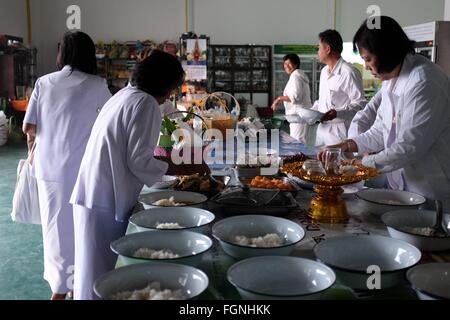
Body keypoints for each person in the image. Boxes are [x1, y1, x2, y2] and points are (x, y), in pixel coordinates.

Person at [70, 50, 184, 300]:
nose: (171, 95)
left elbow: (132, 150)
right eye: (173, 88)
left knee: (91, 274)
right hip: (104, 199)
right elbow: (139, 161)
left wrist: (168, 160)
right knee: (102, 280)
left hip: (94, 193)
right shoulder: (145, 103)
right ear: (165, 85)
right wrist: (182, 165)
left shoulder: (125, 94)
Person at [318, 16, 450, 208]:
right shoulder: (391, 79)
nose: (366, 66)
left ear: (386, 52)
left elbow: (409, 147)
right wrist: (346, 145)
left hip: (430, 191)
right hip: (402, 187)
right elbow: (381, 130)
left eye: (368, 59)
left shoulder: (424, 81)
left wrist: (360, 164)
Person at [22, 31, 111, 300]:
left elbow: (29, 127)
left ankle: (60, 290)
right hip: (83, 171)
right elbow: (108, 123)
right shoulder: (98, 85)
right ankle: (75, 288)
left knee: (55, 233)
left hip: (49, 170)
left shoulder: (44, 82)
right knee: (82, 230)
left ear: (62, 54)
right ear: (89, 54)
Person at [311, 29, 366, 146]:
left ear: (328, 49)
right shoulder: (324, 72)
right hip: (322, 129)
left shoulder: (349, 72)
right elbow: (323, 100)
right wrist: (308, 112)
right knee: (319, 161)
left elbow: (360, 104)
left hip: (339, 131)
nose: (318, 51)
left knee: (338, 163)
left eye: (319, 48)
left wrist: (337, 113)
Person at [271, 54, 312, 143]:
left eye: (289, 64)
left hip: (298, 116)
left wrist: (279, 98)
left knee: (297, 142)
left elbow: (295, 97)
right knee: (300, 141)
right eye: (285, 64)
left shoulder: (295, 76)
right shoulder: (299, 75)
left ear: (296, 64)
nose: (286, 66)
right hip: (300, 115)